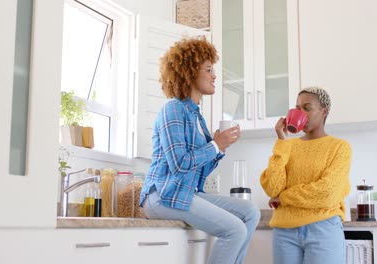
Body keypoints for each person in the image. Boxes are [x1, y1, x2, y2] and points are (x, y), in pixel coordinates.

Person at [139, 36, 260, 264]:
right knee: (234, 229)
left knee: (250, 212)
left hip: (185, 192)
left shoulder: (196, 116)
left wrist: (219, 147)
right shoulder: (172, 109)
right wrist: (214, 145)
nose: (214, 76)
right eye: (208, 69)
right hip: (162, 195)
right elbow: (180, 164)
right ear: (190, 71)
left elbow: (199, 169)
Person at [260, 87, 352, 264]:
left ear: (323, 112)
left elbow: (327, 193)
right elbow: (272, 187)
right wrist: (281, 141)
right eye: (297, 107)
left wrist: (284, 198)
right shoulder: (288, 145)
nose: (299, 112)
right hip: (284, 231)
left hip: (323, 228)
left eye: (307, 108)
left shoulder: (340, 147)